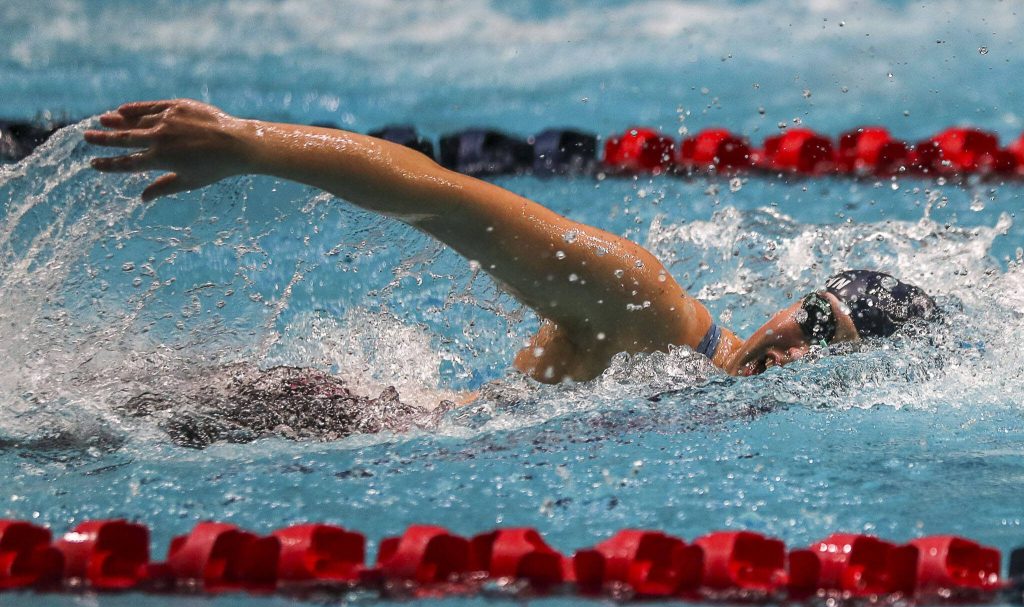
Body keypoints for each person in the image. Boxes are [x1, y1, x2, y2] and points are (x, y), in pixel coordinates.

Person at [86, 99, 937, 387]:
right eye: (815, 324)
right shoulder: (644, 308)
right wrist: (248, 143)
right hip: (311, 422)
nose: (799, 355)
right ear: (797, 298)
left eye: (835, 355)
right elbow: (447, 199)